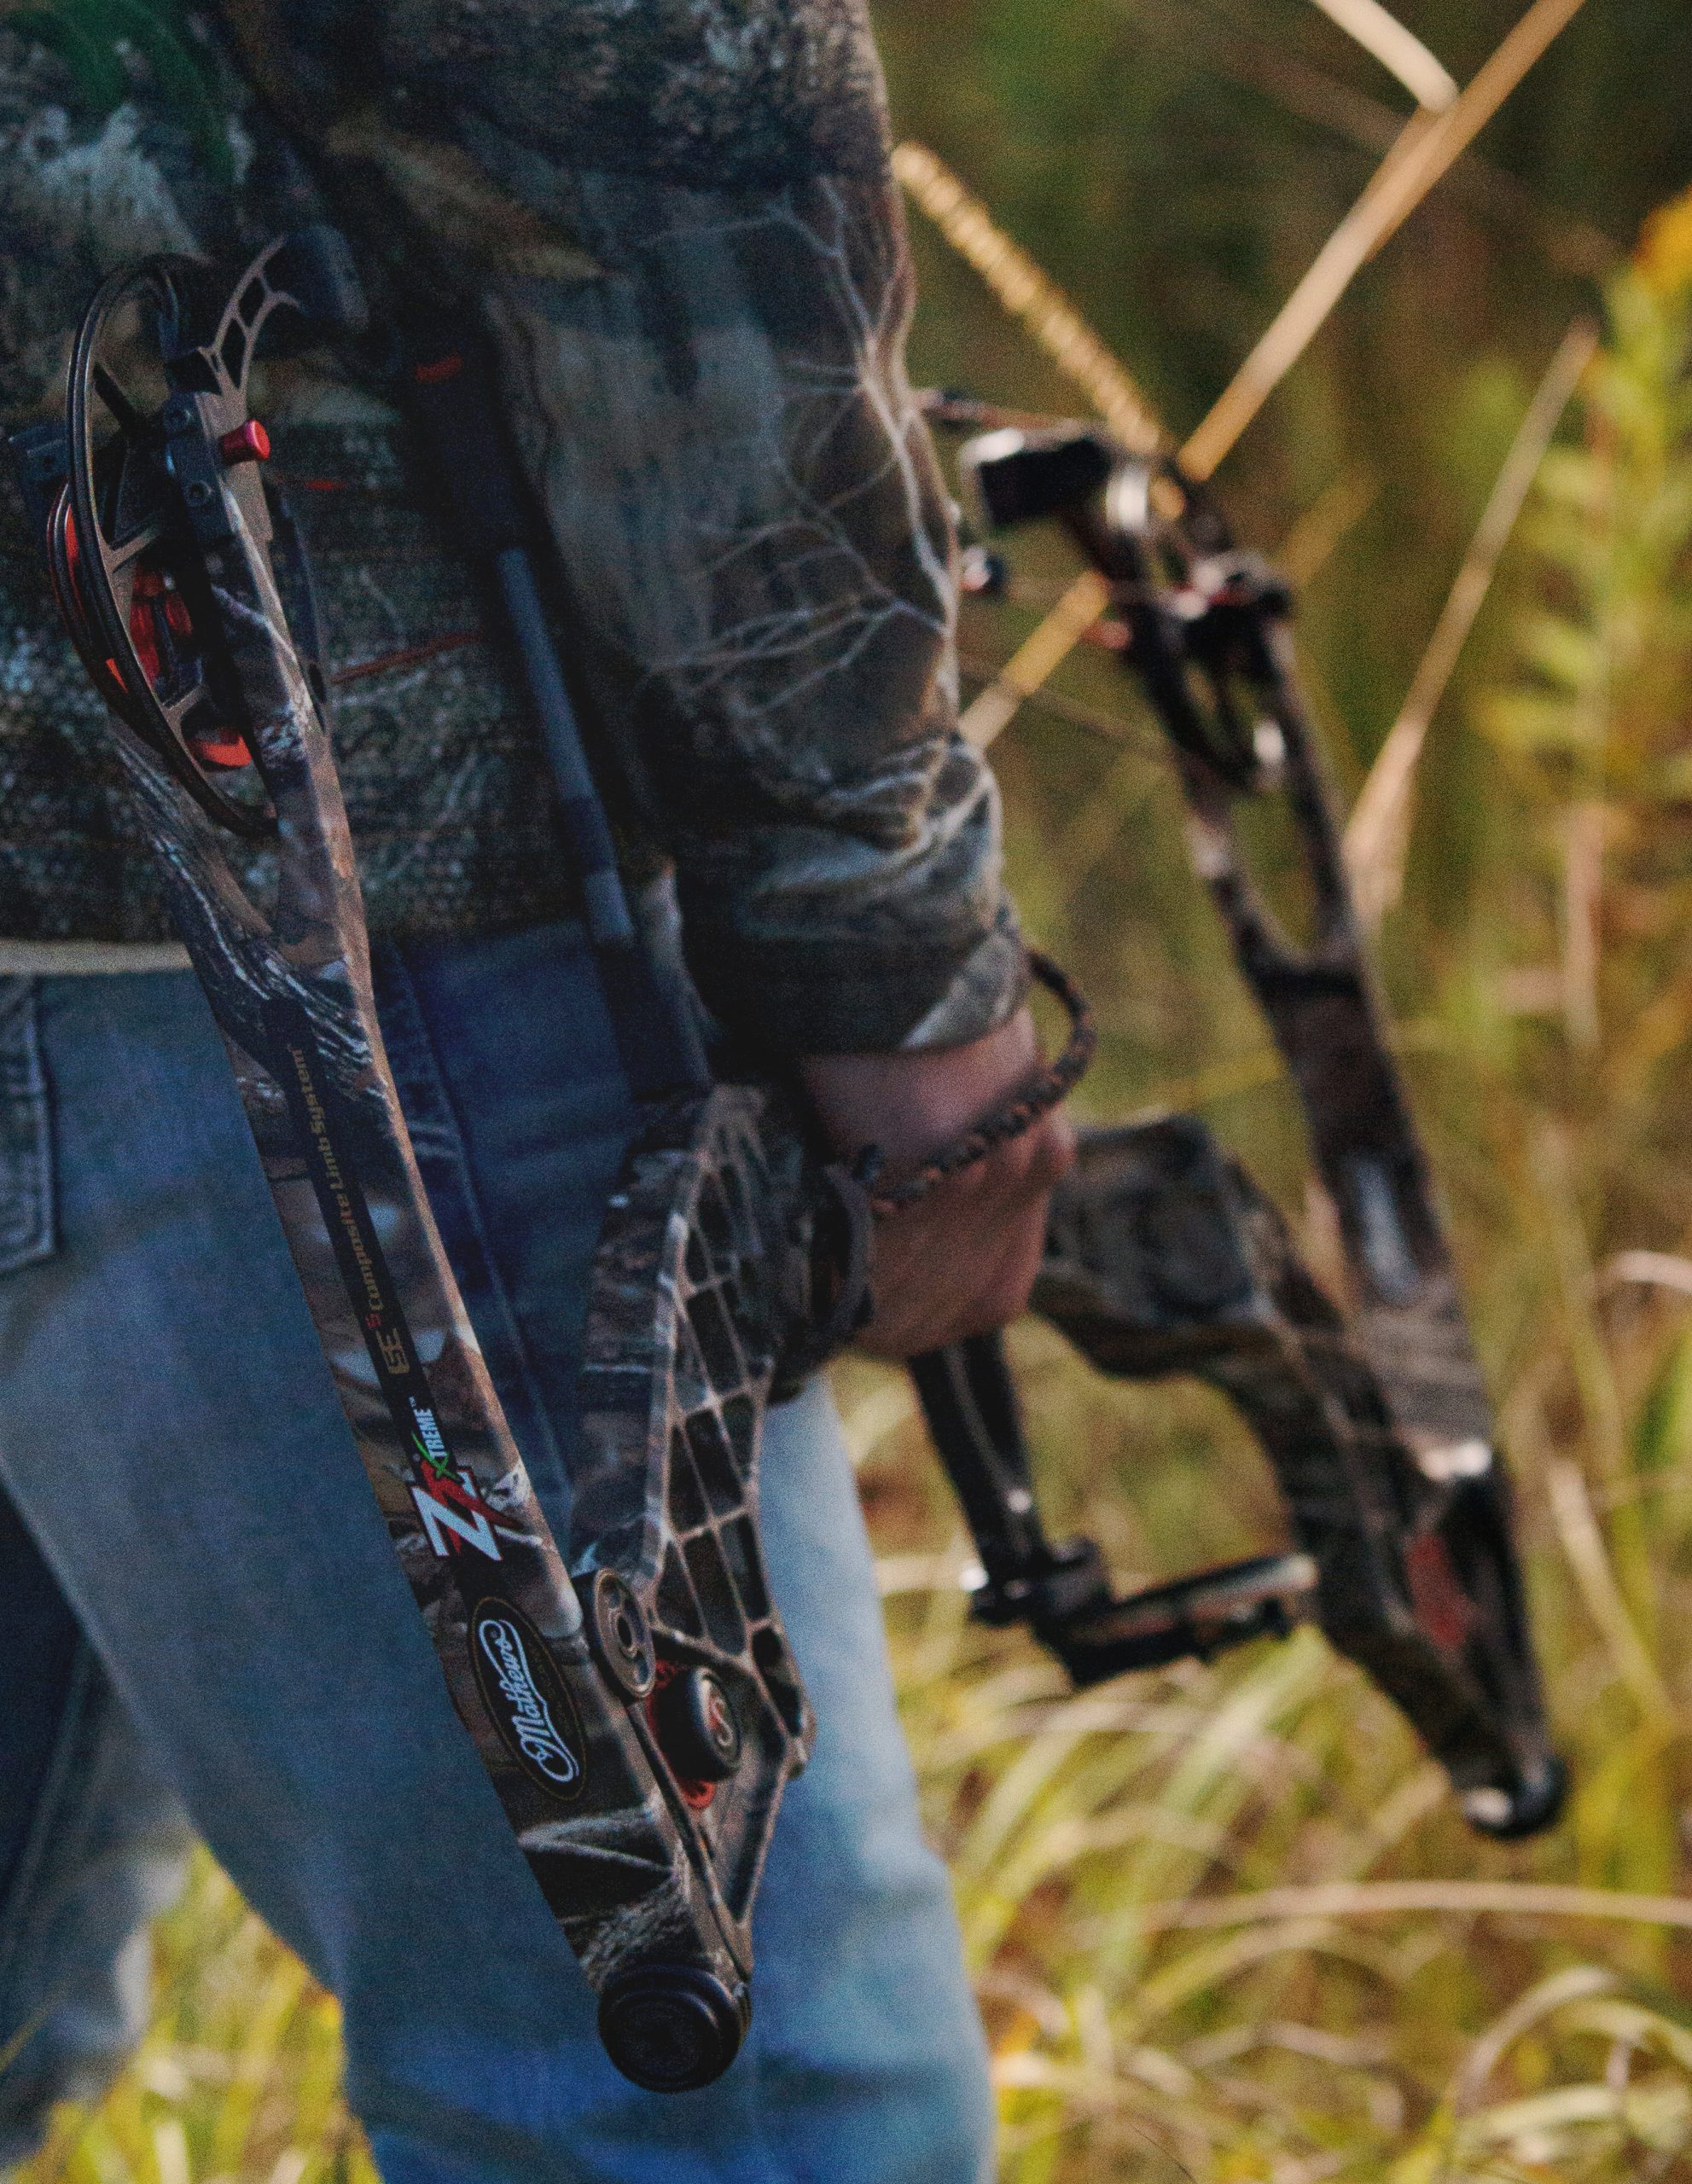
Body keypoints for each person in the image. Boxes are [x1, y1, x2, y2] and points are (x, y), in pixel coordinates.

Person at [0, 6, 1073, 2180]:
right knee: (719, 2104)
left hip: (185, 903)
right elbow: (637, 77)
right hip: (329, 925)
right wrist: (873, 918)